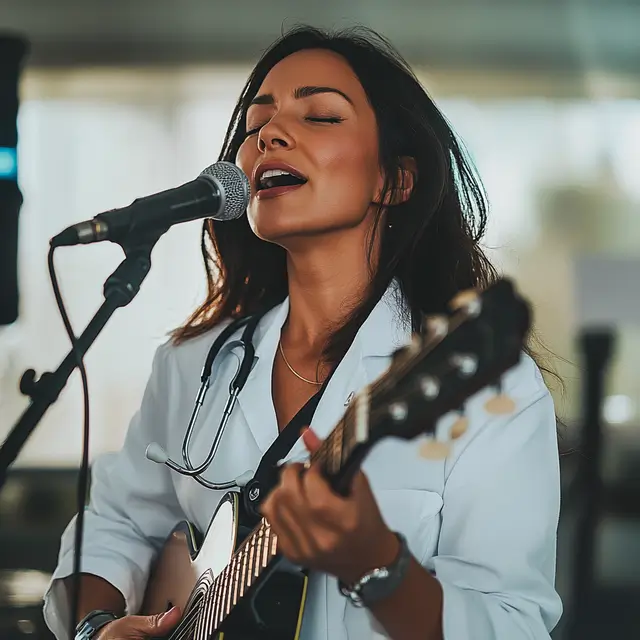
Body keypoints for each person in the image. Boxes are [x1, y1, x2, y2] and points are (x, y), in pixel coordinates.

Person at [43, 25, 562, 640]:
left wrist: (380, 567)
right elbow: (112, 526)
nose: (269, 135)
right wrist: (95, 628)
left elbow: (513, 624)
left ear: (393, 180)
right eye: (255, 125)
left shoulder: (481, 385)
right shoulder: (189, 365)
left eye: (319, 115)